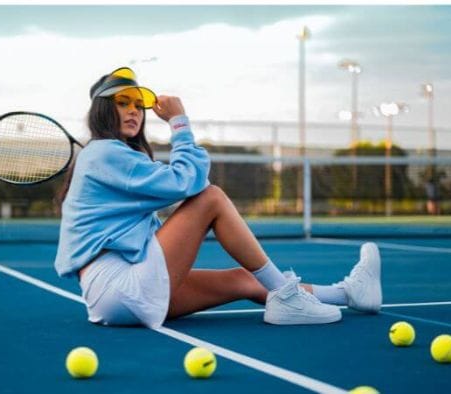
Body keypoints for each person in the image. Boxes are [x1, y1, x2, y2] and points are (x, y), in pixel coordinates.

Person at [54, 66, 382, 329]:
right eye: (122, 102)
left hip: (116, 295)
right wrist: (179, 123)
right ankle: (286, 296)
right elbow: (191, 183)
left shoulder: (109, 156)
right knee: (212, 198)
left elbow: (175, 192)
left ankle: (349, 293)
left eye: (137, 104)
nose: (133, 110)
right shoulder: (103, 153)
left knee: (243, 279)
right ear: (102, 110)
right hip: (120, 285)